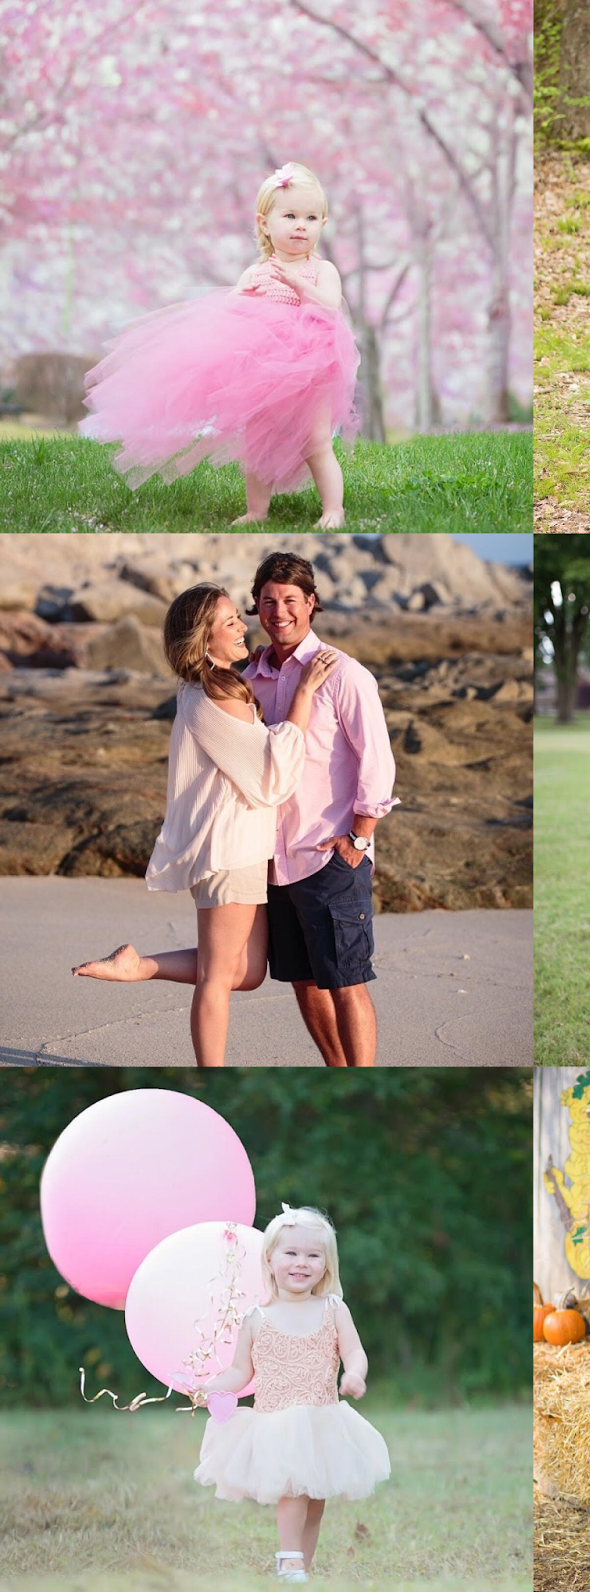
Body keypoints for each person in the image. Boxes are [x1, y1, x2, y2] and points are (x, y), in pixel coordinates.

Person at [69, 584, 339, 1067]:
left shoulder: (207, 686)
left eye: (240, 618)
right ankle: (210, 1077)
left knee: (248, 971)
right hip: (229, 851)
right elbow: (269, 778)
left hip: (242, 851)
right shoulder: (213, 695)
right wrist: (303, 694)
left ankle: (138, 965)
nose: (244, 627)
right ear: (202, 638)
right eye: (230, 621)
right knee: (219, 977)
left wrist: (245, 664)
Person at [78, 163, 359, 529]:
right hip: (262, 373)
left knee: (316, 441)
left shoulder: (322, 270)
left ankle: (333, 509)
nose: (300, 225)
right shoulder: (255, 272)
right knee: (257, 441)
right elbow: (230, 323)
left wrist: (299, 284)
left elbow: (330, 304)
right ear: (264, 224)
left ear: (323, 224)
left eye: (311, 217)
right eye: (290, 216)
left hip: (312, 367)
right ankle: (257, 511)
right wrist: (241, 297)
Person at [242, 552, 398, 1068]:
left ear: (311, 603)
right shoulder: (249, 679)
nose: (278, 610)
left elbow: (377, 759)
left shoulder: (344, 673)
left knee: (347, 981)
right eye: (268, 600)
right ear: (256, 607)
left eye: (290, 599)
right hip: (272, 860)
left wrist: (359, 837)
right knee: (303, 980)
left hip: (330, 853)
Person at [193, 1204, 389, 1584]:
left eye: (313, 1255)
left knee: (316, 1502)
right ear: (270, 1260)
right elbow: (239, 1371)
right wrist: (211, 1387)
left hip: (323, 1419)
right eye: (291, 1253)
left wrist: (355, 1374)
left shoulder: (333, 1308)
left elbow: (353, 1351)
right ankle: (288, 1559)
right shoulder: (257, 1317)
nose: (302, 1263)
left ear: (326, 1265)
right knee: (293, 1493)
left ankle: (302, 1566)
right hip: (278, 1423)